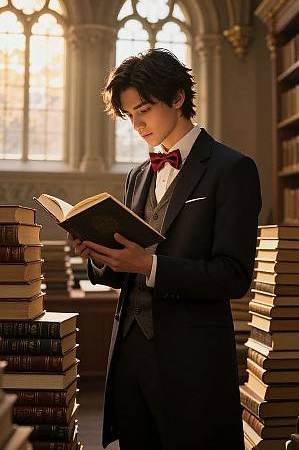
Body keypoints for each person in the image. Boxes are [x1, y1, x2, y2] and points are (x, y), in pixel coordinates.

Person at [71, 48, 261, 450]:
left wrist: (152, 265)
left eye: (144, 110)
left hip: (193, 362)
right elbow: (127, 268)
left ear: (177, 98)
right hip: (129, 357)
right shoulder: (138, 175)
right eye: (129, 115)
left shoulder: (233, 169)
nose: (137, 125)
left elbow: (234, 275)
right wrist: (99, 254)